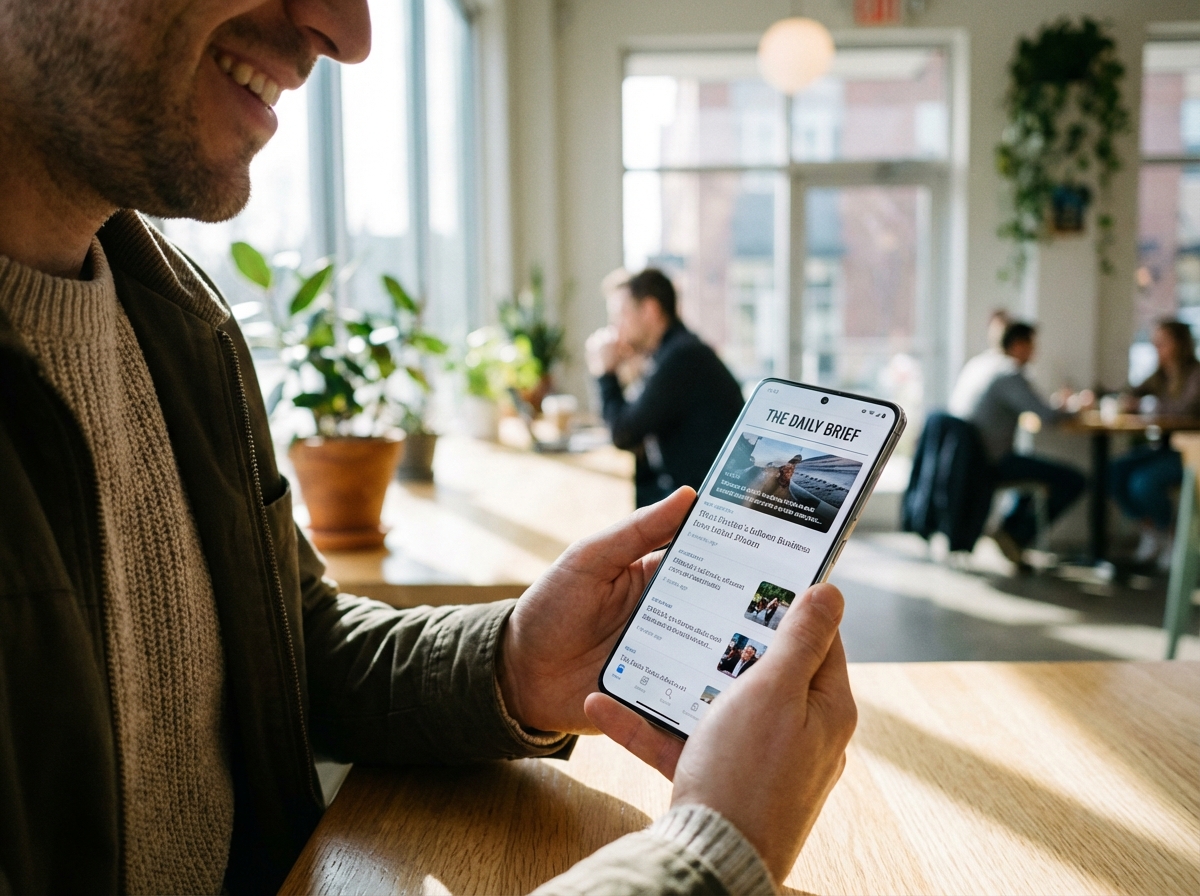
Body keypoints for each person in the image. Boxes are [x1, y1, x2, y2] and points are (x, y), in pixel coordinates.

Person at [0, 2, 857, 894]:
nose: (351, 33)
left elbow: (292, 647)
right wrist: (712, 857)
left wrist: (513, 660)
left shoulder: (179, 319)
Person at [586, 269, 745, 507]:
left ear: (650, 310)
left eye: (621, 316)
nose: (616, 329)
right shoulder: (676, 351)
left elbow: (623, 433)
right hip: (689, 495)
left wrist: (605, 373)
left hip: (703, 508)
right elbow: (635, 420)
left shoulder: (682, 358)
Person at [948, 322, 1086, 564]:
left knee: (1031, 465)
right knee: (1074, 480)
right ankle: (1015, 534)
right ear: (1019, 345)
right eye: (1033, 346)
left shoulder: (980, 364)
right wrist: (1077, 407)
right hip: (989, 462)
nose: (1035, 353)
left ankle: (1009, 530)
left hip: (968, 460)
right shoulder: (1009, 373)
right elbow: (1047, 415)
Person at [1110, 320, 1200, 565]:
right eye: (1154, 342)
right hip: (1163, 448)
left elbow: (1186, 411)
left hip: (1189, 452)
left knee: (1143, 481)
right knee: (1114, 472)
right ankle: (1153, 532)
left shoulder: (1195, 374)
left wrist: (1147, 406)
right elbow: (1129, 392)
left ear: (1180, 344)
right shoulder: (1159, 375)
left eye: (1162, 342)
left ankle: (1171, 536)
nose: (1156, 347)